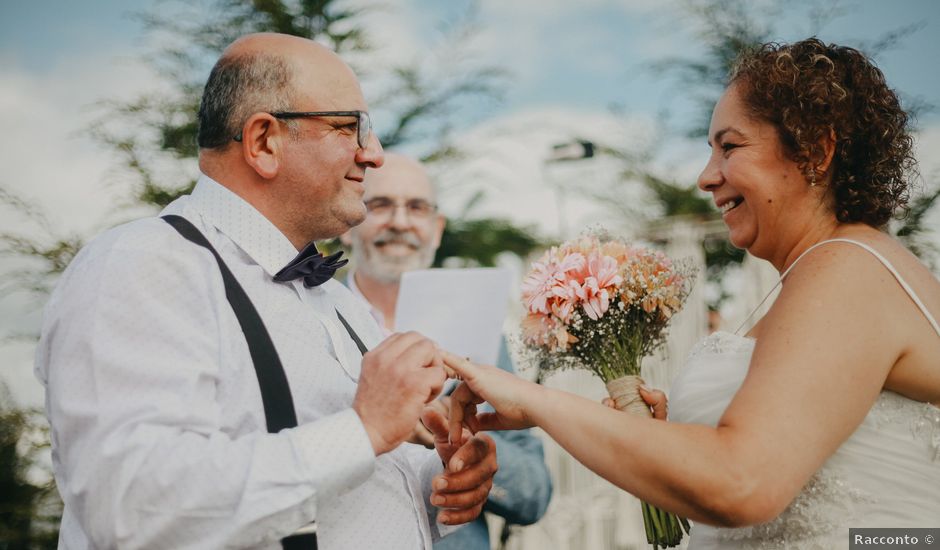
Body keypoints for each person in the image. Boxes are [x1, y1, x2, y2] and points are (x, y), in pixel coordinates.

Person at [443, 38, 940, 549]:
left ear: (815, 150)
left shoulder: (847, 268)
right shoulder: (824, 272)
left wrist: (535, 400)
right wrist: (656, 438)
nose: (706, 177)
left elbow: (743, 483)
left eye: (730, 146)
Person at [34, 33, 498, 550]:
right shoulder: (140, 265)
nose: (375, 155)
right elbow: (131, 507)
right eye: (349, 127)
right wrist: (363, 428)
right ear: (263, 142)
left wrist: (440, 484)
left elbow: (348, 492)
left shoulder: (339, 302)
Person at [339, 153, 553, 549]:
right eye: (381, 205)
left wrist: (462, 442)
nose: (400, 222)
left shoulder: (485, 337)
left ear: (436, 230)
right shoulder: (310, 317)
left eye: (416, 207)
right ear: (348, 225)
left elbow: (535, 494)